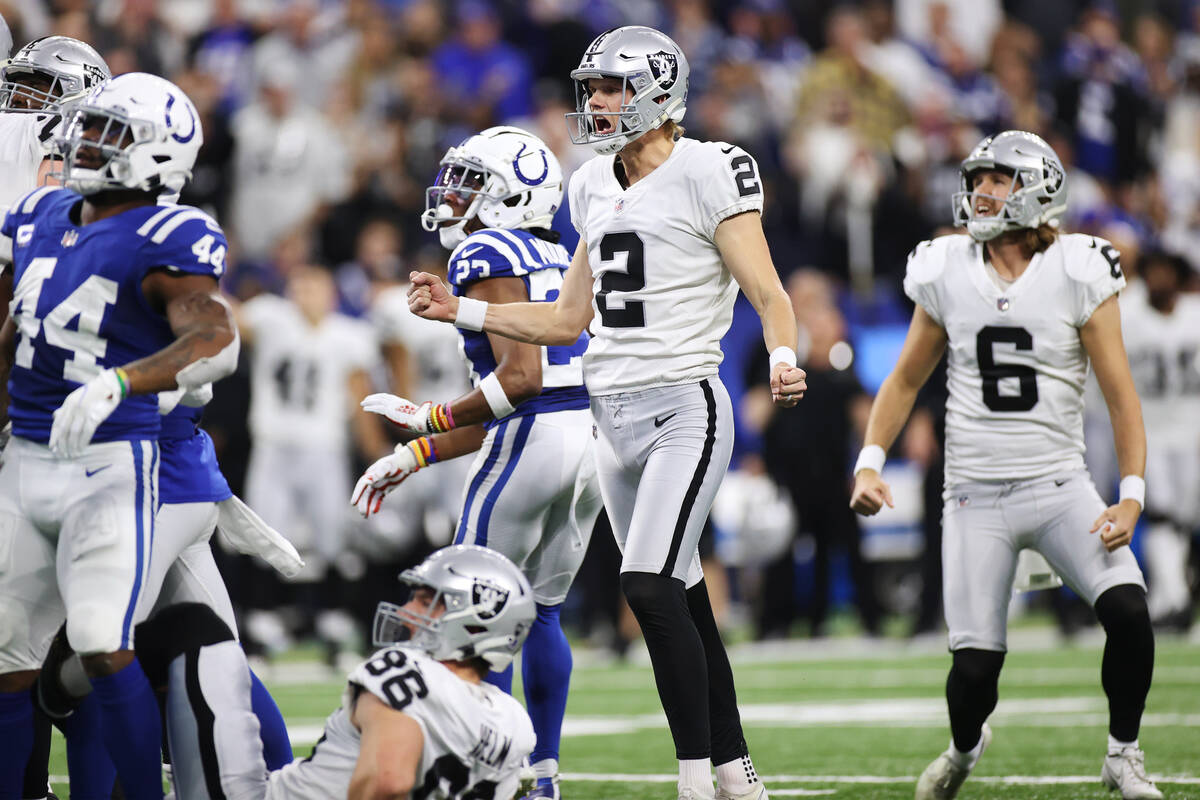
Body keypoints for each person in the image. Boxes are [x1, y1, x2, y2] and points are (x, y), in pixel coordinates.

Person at [409, 26, 807, 800]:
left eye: (609, 88)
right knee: (681, 594)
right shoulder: (591, 183)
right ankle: (735, 772)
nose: (593, 102)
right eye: (590, 88)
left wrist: (785, 356)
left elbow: (769, 292)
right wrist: (463, 311)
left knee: (650, 587)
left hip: (684, 403)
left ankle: (694, 780)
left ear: (657, 92)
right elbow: (563, 322)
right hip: (609, 416)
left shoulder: (708, 167)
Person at [849, 130, 1161, 800]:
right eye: (979, 179)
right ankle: (965, 750)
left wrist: (1129, 495)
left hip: (1059, 485)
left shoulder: (1079, 268)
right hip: (975, 495)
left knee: (1131, 612)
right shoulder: (946, 268)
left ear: (1039, 191)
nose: (982, 191)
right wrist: (870, 462)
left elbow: (1120, 395)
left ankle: (1122, 753)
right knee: (974, 673)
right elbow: (904, 380)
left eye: (999, 180)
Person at [0, 73, 242, 800]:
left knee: (103, 642)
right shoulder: (40, 213)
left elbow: (215, 338)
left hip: (111, 463)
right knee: (9, 655)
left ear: (158, 155)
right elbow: (13, 327)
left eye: (110, 133)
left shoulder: (171, 234)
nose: (86, 143)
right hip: (26, 457)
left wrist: (119, 382)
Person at [352, 125, 603, 800]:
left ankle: (488, 773)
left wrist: (431, 418)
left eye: (472, 180)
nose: (454, 192)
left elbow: (518, 383)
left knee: (466, 613)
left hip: (532, 439)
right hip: (586, 440)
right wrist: (416, 452)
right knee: (542, 612)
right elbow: (522, 392)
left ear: (511, 195)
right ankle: (541, 777)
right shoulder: (557, 252)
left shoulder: (489, 248)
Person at [136, 544, 537, 799]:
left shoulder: (406, 671)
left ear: (475, 622)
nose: (409, 611)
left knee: (192, 625)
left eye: (427, 601)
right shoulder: (513, 721)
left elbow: (389, 783)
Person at [1121, 250, 1199, 632]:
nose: (1159, 280)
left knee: (1182, 521)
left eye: (1166, 272)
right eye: (1153, 272)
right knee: (1162, 515)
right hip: (1148, 432)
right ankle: (1176, 599)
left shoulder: (1194, 314)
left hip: (1192, 431)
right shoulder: (1128, 314)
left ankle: (1170, 598)